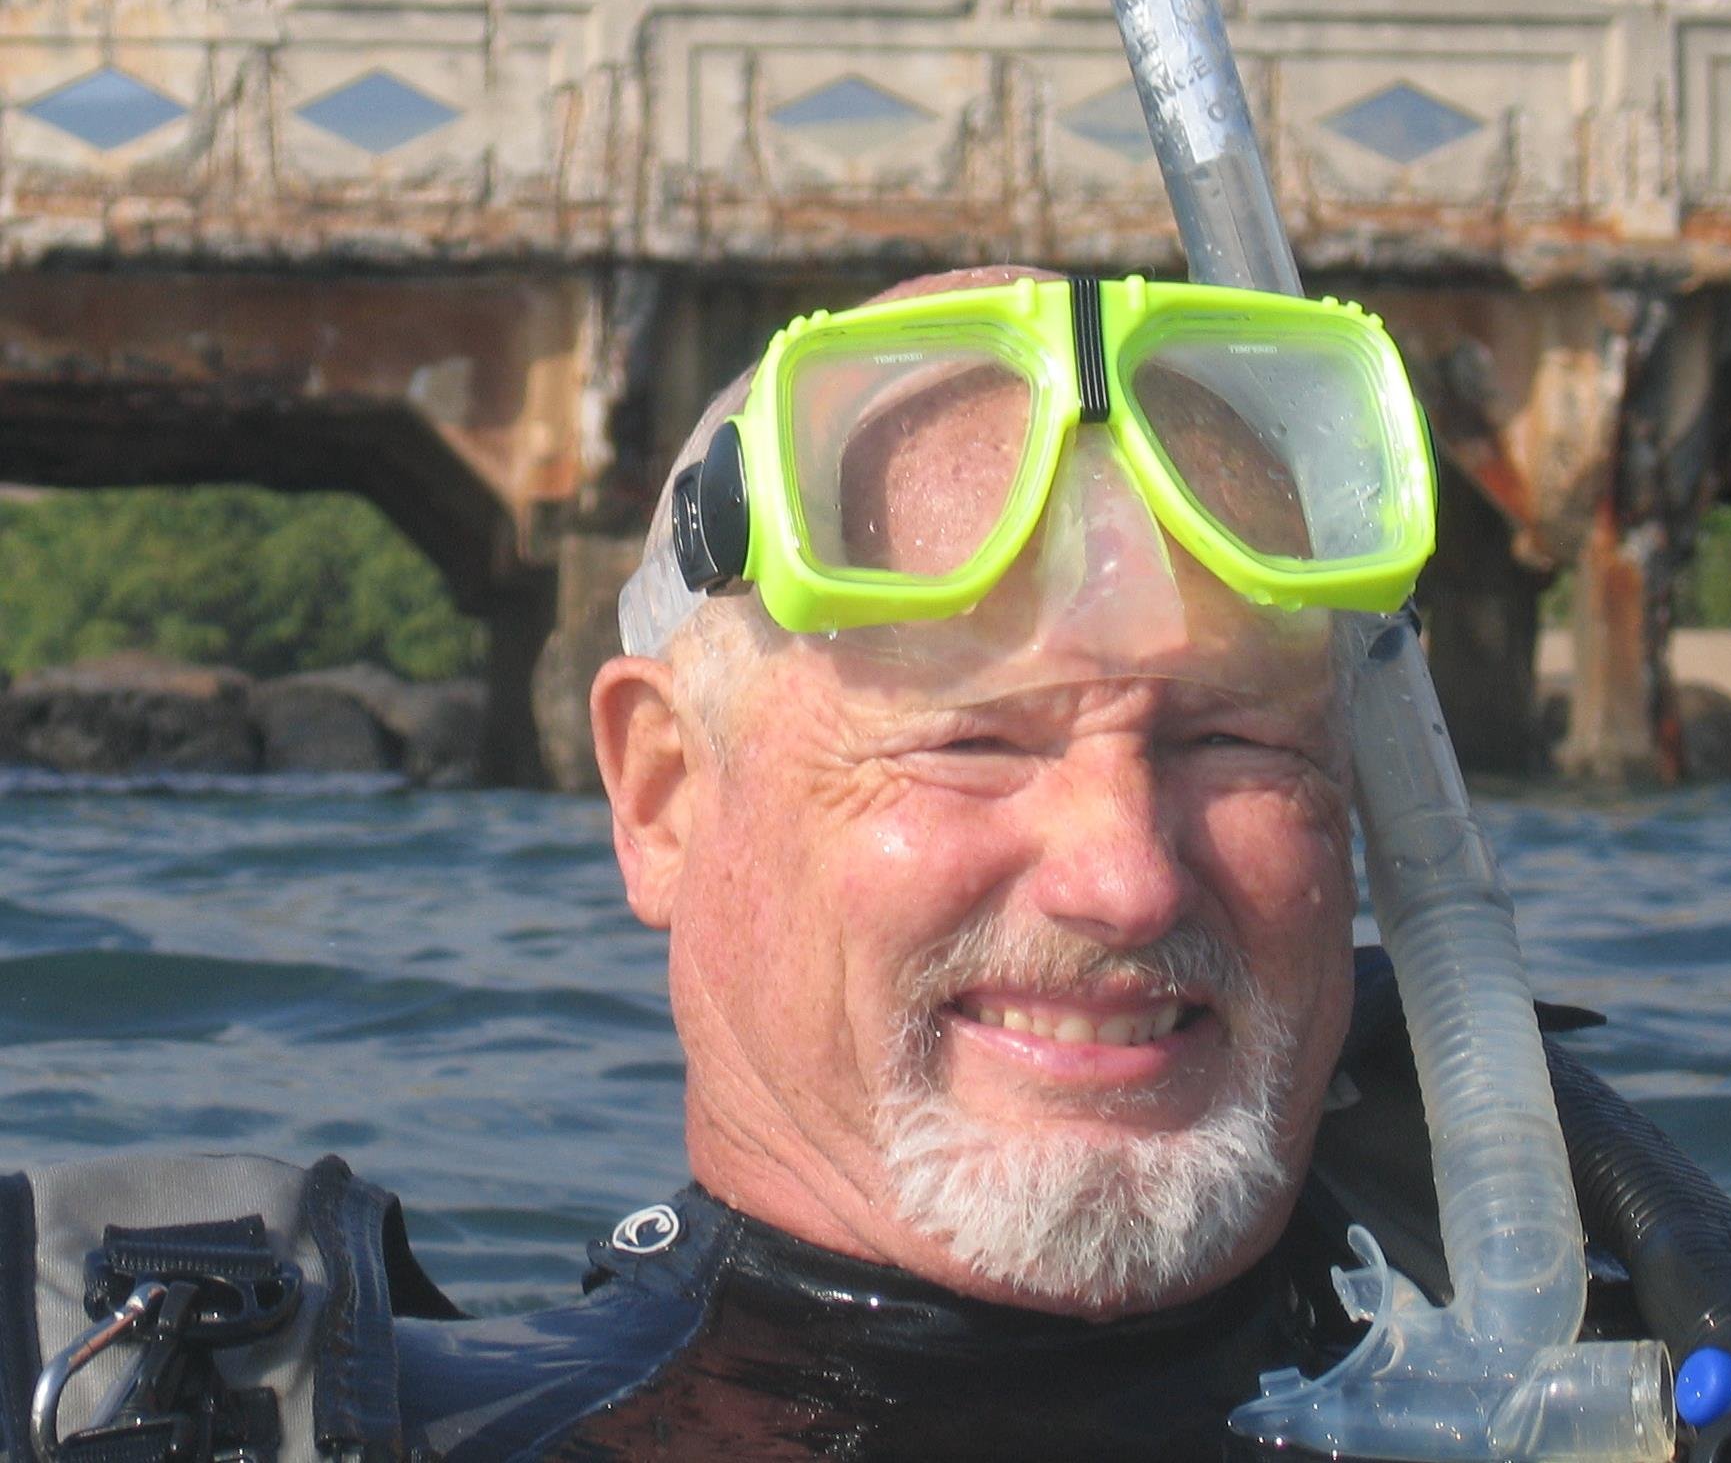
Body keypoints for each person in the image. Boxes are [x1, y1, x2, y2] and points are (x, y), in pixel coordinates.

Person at [392, 264, 1444, 1459]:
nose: (1127, 878)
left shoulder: (1613, 1357)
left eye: (1229, 740)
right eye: (974, 741)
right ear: (663, 795)